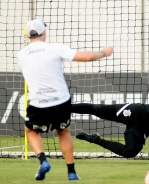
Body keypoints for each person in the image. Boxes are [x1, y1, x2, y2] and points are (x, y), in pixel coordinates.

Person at [17, 19, 113, 180]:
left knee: (31, 131)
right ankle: (72, 172)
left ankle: (43, 161)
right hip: (61, 101)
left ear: (27, 35)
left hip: (38, 102)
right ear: (44, 33)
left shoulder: (21, 54)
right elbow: (87, 57)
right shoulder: (54, 48)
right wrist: (104, 52)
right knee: (63, 132)